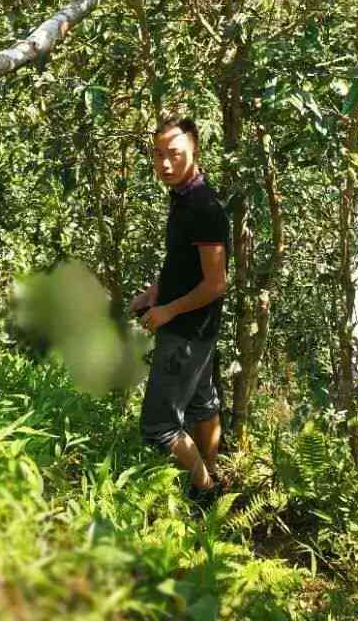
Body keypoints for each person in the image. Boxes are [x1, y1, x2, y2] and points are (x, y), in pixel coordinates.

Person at [130, 115, 230, 507]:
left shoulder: (203, 207)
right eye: (157, 155)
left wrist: (167, 311)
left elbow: (216, 283)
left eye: (174, 154)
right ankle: (214, 474)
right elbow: (185, 265)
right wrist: (155, 292)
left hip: (186, 332)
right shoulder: (185, 197)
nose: (165, 164)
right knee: (204, 404)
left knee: (158, 426)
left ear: (194, 151)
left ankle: (206, 492)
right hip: (196, 329)